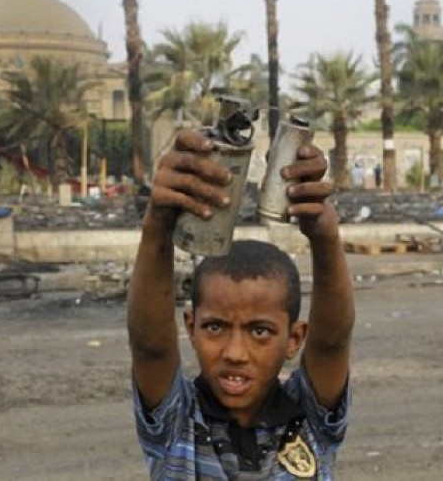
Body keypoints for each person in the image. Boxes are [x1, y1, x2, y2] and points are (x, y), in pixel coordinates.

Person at [127, 129, 355, 479]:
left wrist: (324, 235)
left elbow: (332, 341)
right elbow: (150, 347)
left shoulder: (309, 419)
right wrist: (159, 220)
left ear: (294, 339)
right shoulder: (177, 423)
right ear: (191, 327)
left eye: (260, 331)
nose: (235, 352)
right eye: (215, 327)